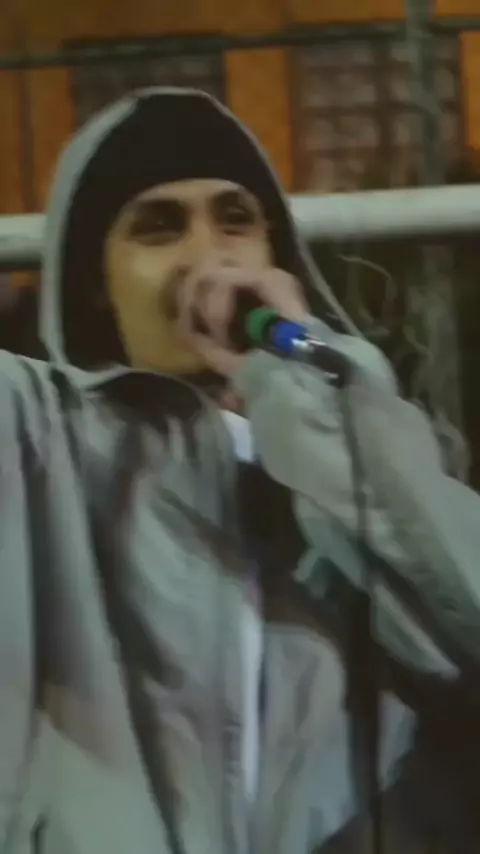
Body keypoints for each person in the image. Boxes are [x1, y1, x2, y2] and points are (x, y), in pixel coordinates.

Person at [1, 88, 480, 854]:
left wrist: (308, 398)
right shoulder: (39, 431)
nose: (210, 256)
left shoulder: (361, 427)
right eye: (159, 227)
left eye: (235, 220)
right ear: (96, 280)